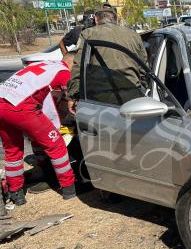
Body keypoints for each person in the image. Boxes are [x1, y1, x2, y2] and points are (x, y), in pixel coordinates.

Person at [0, 54, 78, 205]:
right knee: (56, 145)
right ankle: (69, 188)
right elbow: (71, 98)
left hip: (2, 100)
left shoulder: (46, 64)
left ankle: (16, 193)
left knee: (13, 150)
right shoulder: (64, 72)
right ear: (73, 64)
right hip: (21, 108)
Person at [67, 6, 148, 110]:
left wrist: (73, 95)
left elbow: (79, 66)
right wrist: (141, 88)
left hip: (101, 98)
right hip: (132, 94)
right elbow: (143, 66)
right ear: (116, 19)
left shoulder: (88, 33)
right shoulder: (133, 35)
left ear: (96, 19)